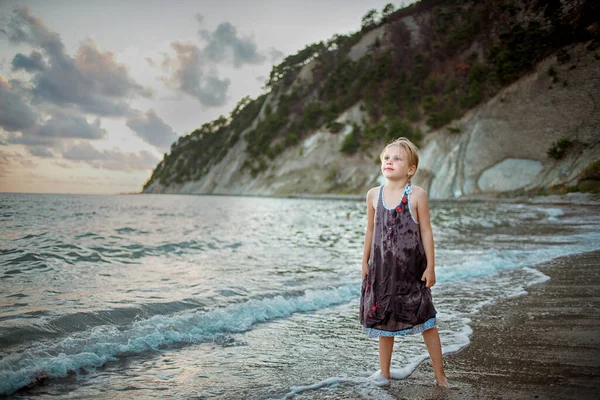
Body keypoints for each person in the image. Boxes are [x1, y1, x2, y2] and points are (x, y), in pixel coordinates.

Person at [359, 137, 448, 387]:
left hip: (411, 271)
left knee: (426, 321)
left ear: (410, 169)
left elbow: (427, 232)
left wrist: (431, 266)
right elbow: (369, 231)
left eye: (397, 158)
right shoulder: (373, 195)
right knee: (384, 322)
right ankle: (384, 373)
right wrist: (364, 261)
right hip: (382, 272)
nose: (390, 161)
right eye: (386, 157)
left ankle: (440, 376)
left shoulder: (417, 195)